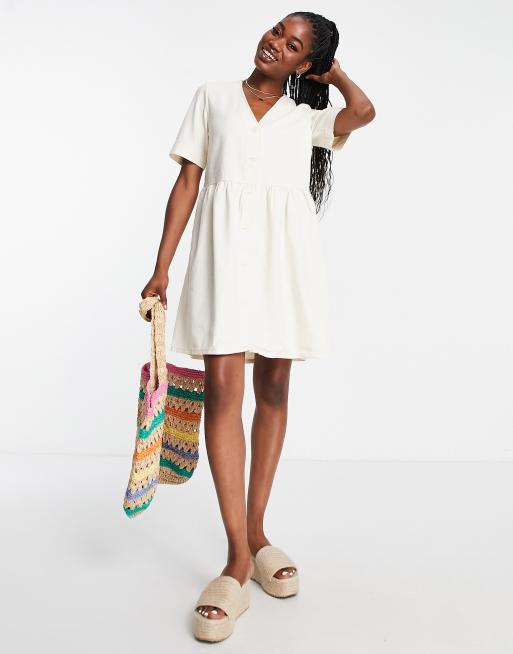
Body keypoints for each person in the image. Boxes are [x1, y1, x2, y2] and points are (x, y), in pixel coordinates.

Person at [141, 11, 375, 643]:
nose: (276, 44)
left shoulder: (306, 119)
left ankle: (258, 531)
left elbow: (363, 112)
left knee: (273, 391)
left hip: (283, 266)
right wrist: (161, 268)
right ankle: (237, 561)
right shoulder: (213, 97)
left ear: (306, 63)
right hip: (223, 262)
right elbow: (187, 183)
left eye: (293, 45)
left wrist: (332, 72)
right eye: (277, 31)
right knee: (224, 392)